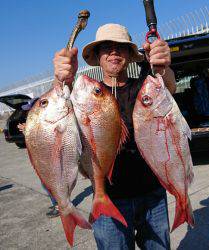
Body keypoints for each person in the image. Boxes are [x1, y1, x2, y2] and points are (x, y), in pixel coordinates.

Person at [53, 23, 176, 249]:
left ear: (130, 55)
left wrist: (163, 67)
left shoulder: (145, 87)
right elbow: (57, 106)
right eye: (106, 48)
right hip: (109, 197)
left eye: (120, 47)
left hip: (153, 194)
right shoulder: (85, 94)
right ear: (97, 57)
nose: (113, 52)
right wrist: (60, 79)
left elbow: (168, 87)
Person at [17, 98, 60, 218]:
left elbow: (40, 140)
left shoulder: (43, 121)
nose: (28, 112)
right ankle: (57, 203)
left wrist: (27, 130)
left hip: (48, 159)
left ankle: (59, 206)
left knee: (50, 183)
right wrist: (26, 131)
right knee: (46, 183)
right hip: (42, 159)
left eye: (30, 109)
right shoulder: (35, 122)